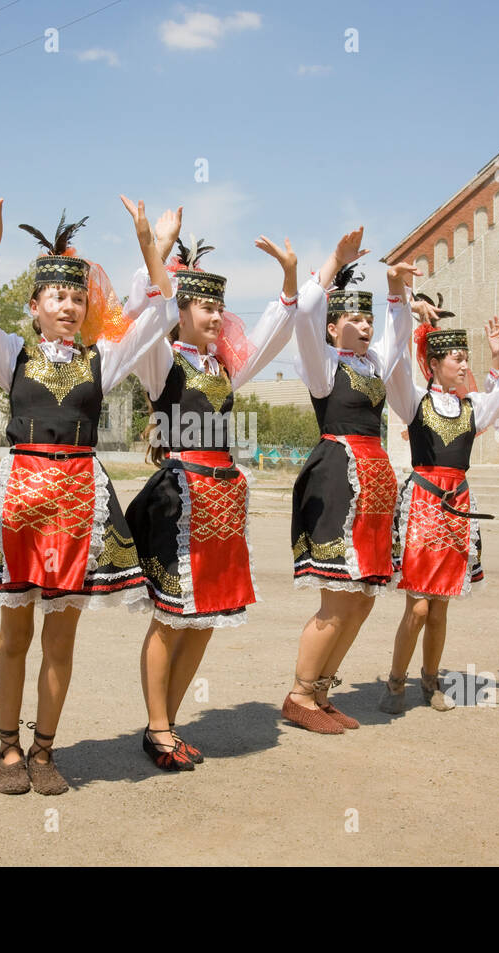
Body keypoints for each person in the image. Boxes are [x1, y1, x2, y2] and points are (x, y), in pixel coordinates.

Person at [0, 186, 176, 795]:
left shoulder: (105, 359)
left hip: (79, 502)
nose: (69, 306)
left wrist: (149, 244)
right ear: (35, 305)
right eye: (57, 296)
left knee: (61, 637)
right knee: (13, 633)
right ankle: (8, 749)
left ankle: (45, 749)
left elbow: (161, 313)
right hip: (19, 497)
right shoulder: (11, 354)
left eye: (77, 296)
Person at [127, 216, 300, 769]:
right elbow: (149, 318)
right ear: (180, 310)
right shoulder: (163, 361)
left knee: (204, 620)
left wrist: (291, 277)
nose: (216, 316)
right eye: (204, 307)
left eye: (219, 308)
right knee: (170, 617)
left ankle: (168, 725)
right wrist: (151, 250)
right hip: (179, 499)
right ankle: (157, 729)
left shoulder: (225, 368)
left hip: (223, 505)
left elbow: (274, 335)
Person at [377, 296, 499, 713]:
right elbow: (393, 369)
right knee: (418, 606)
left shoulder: (474, 408)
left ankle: (430, 681)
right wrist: (406, 319)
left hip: (457, 509)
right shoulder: (415, 402)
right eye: (458, 359)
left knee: (441, 605)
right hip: (424, 507)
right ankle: (396, 682)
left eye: (466, 358)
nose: (465, 366)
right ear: (435, 364)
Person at [281, 228, 411, 733]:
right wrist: (333, 261)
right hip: (339, 478)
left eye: (367, 318)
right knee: (336, 599)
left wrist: (396, 290)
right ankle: (298, 695)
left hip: (374, 486)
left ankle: (321, 690)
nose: (363, 325)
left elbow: (396, 338)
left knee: (362, 599)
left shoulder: (374, 364)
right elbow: (306, 315)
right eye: (353, 318)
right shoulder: (324, 367)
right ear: (333, 328)